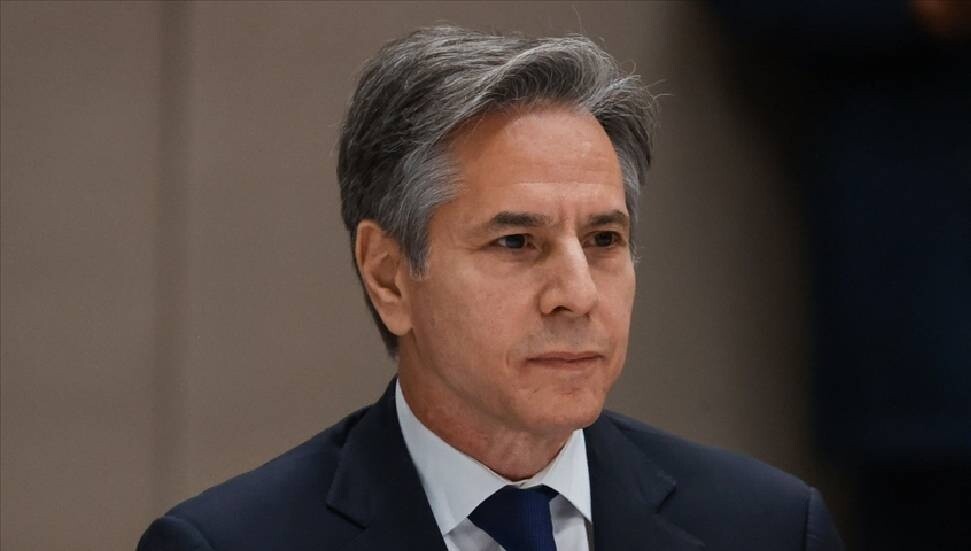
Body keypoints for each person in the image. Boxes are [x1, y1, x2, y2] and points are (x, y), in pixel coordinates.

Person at [137, 25, 843, 551]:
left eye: (603, 240)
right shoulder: (230, 543)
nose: (577, 294)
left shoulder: (771, 529)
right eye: (516, 242)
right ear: (389, 276)